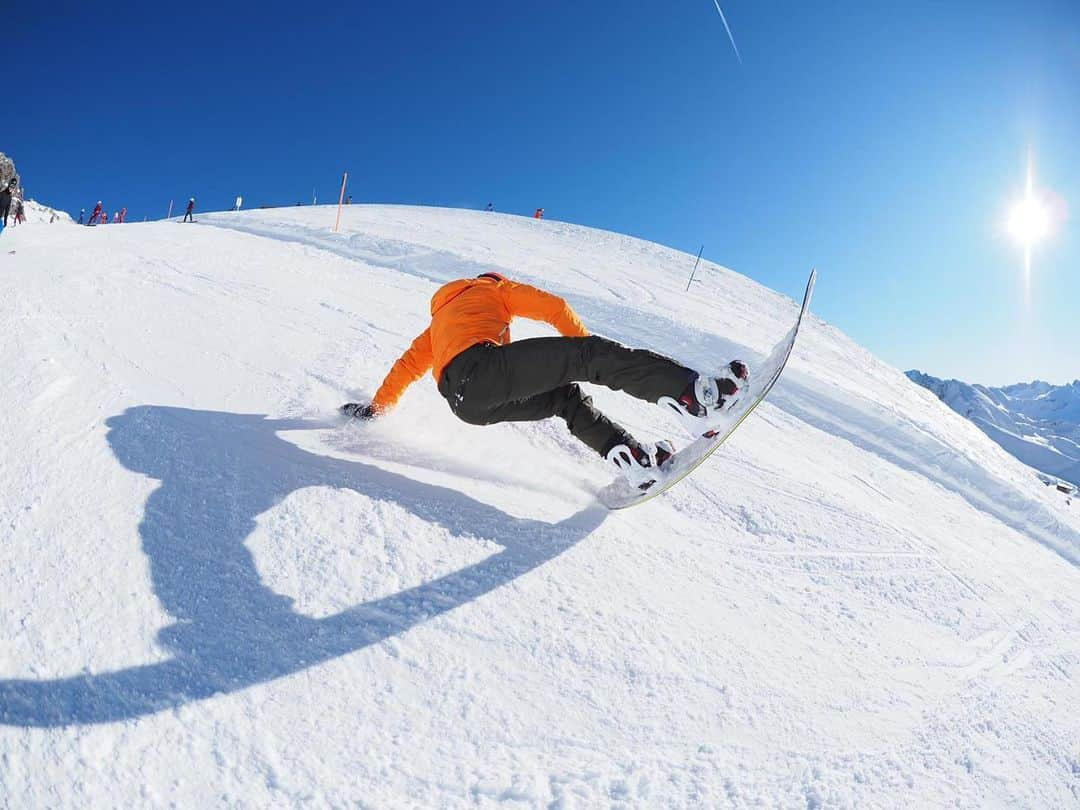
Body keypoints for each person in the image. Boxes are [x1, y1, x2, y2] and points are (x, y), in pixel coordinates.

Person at [342, 272, 749, 488]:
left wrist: (377, 408)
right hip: (484, 371)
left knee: (562, 399)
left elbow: (404, 369)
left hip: (466, 406)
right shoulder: (492, 290)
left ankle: (633, 459)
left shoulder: (436, 327)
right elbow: (553, 307)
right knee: (586, 357)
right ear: (488, 279)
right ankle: (697, 396)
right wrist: (585, 355)